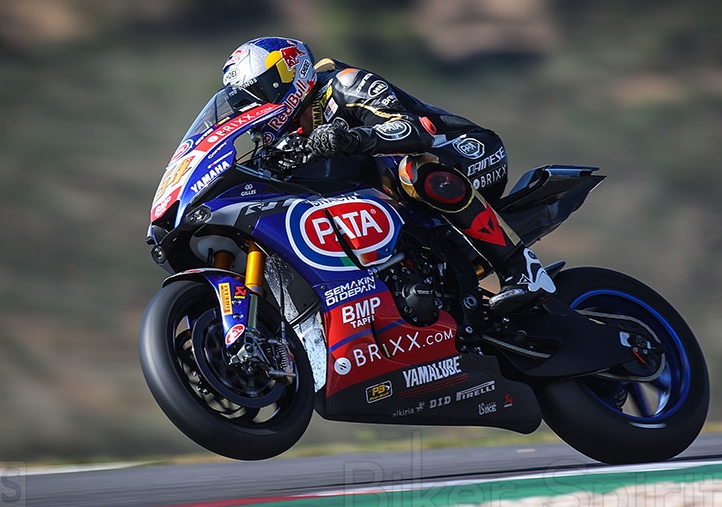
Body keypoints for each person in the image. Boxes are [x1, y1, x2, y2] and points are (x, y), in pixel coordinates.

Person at [222, 36, 555, 313]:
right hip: (399, 197)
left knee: (414, 170)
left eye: (257, 95)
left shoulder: (342, 83)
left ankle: (522, 269)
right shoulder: (283, 141)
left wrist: (351, 139)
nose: (252, 109)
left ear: (286, 76)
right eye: (243, 104)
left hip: (467, 152)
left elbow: (413, 131)